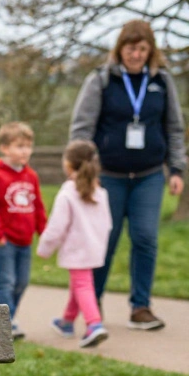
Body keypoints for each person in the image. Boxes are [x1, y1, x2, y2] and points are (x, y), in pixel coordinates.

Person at [69, 19, 186, 331]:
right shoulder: (102, 80)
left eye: (142, 49)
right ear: (120, 48)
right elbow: (82, 130)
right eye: (131, 48)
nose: (136, 55)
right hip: (107, 177)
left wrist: (177, 168)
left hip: (149, 175)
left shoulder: (162, 81)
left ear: (151, 51)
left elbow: (174, 127)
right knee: (104, 241)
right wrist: (85, 173)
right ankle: (92, 307)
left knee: (145, 238)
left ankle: (141, 307)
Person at [39, 141, 113, 348]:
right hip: (94, 248)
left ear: (68, 164)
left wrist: (45, 248)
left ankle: (94, 324)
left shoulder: (67, 193)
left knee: (82, 284)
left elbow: (56, 227)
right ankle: (67, 322)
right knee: (79, 283)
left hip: (76, 250)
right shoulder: (100, 192)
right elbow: (108, 224)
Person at [0, 122, 46, 340]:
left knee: (21, 282)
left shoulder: (31, 176)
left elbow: (38, 206)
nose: (25, 151)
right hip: (4, 241)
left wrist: (43, 231)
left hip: (25, 240)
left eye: (28, 146)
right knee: (7, 282)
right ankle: (3, 326)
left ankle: (8, 320)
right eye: (19, 146)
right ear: (5, 148)